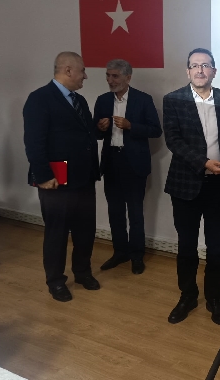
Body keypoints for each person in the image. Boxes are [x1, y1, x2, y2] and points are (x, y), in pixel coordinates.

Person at [163, 48, 220, 325]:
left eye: (205, 65)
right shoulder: (173, 99)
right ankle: (187, 296)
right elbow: (173, 141)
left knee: (217, 247)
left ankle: (214, 298)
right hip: (185, 185)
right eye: (195, 65)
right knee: (187, 246)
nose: (200, 70)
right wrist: (204, 163)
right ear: (188, 70)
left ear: (214, 71)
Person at [23, 52, 101, 302]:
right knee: (57, 233)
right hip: (56, 180)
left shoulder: (80, 100)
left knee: (85, 231)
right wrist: (44, 175)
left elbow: (85, 135)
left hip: (84, 178)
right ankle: (55, 281)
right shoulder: (39, 99)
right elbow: (34, 142)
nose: (85, 76)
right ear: (68, 70)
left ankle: (83, 272)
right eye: (82, 70)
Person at [94, 59, 162, 275]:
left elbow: (156, 130)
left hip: (134, 163)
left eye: (115, 76)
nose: (110, 80)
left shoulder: (143, 100)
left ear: (128, 77)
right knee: (115, 211)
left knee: (135, 212)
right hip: (111, 162)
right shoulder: (102, 100)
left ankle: (137, 255)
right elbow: (95, 134)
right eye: (108, 75)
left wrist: (131, 126)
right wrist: (99, 127)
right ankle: (120, 252)